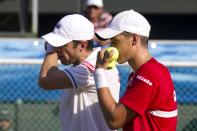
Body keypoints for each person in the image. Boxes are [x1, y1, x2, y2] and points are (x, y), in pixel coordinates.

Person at [93, 10, 178, 131]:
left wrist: (99, 71)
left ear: (134, 39)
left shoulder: (149, 74)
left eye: (115, 41)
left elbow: (114, 120)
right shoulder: (143, 72)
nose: (111, 47)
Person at [38, 14, 120, 131]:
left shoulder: (89, 68)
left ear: (82, 45)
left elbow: (45, 79)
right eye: (56, 44)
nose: (57, 49)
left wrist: (51, 49)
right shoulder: (90, 64)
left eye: (62, 45)